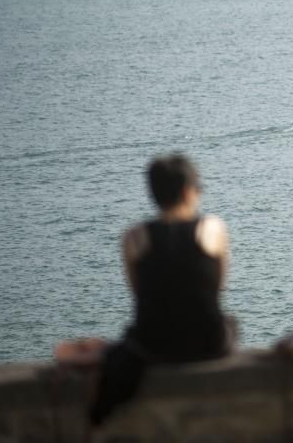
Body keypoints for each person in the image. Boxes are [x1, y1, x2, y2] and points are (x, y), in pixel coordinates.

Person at [89, 154, 235, 424]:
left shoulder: (133, 237)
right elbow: (218, 288)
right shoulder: (212, 228)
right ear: (188, 192)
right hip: (208, 342)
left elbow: (139, 292)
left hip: (151, 345)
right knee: (232, 324)